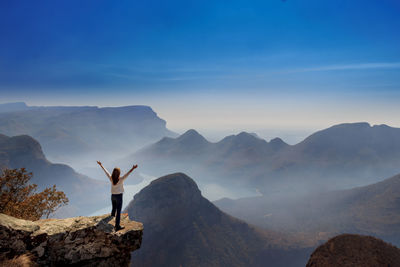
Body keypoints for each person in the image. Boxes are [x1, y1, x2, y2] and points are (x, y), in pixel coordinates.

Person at [97, 161, 138, 231]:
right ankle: (117, 226)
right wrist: (133, 168)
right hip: (119, 196)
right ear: (119, 173)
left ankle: (112, 217)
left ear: (113, 173)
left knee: (114, 208)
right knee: (118, 212)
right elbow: (127, 174)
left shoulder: (111, 179)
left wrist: (101, 165)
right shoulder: (121, 179)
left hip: (113, 196)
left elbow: (106, 172)